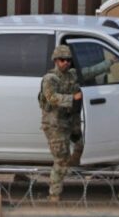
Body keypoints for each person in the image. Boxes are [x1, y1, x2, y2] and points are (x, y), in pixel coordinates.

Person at [38, 44, 111, 202]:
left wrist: (111, 62)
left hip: (71, 121)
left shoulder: (72, 75)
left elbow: (91, 71)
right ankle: (54, 194)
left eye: (69, 60)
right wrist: (73, 98)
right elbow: (52, 97)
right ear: (56, 61)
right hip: (55, 124)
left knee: (80, 145)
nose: (66, 63)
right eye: (62, 60)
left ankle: (68, 169)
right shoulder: (50, 79)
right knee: (61, 159)